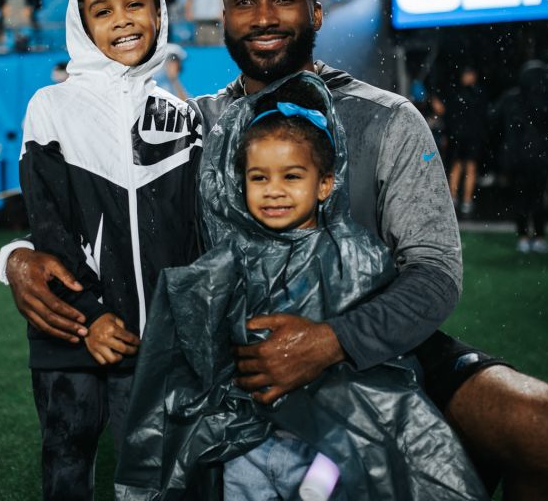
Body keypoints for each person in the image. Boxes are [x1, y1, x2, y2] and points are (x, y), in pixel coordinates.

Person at [0, 0, 548, 500]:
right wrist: (18, 258)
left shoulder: (389, 118)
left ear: (316, 12)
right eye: (243, 1)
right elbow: (101, 204)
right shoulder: (191, 123)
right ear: (224, 19)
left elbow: (435, 272)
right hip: (241, 358)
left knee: (541, 426)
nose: (262, 16)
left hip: (375, 343)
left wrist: (335, 340)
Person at [116, 74, 485, 500]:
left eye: (291, 176)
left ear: (325, 184)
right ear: (241, 182)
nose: (274, 191)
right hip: (247, 444)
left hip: (327, 442)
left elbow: (388, 363)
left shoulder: (356, 255)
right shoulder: (226, 261)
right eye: (259, 178)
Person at [17, 0, 202, 501]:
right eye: (101, 9)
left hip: (152, 345)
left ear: (159, 13)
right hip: (70, 332)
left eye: (135, 2)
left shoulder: (181, 115)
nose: (121, 18)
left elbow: (191, 234)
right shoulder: (50, 105)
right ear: (81, 24)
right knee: (67, 466)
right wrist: (92, 316)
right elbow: (47, 228)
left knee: (151, 479)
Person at [492, 61, 548, 254]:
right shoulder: (547, 98)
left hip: (518, 158)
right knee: (538, 199)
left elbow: (493, 119)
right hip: (540, 157)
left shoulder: (511, 98)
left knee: (521, 198)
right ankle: (539, 237)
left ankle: (524, 237)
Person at [447, 67, 487, 218]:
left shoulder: (476, 94)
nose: (468, 77)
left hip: (469, 136)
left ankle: (466, 199)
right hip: (461, 136)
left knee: (468, 166)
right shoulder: (458, 93)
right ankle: (455, 197)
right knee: (458, 165)